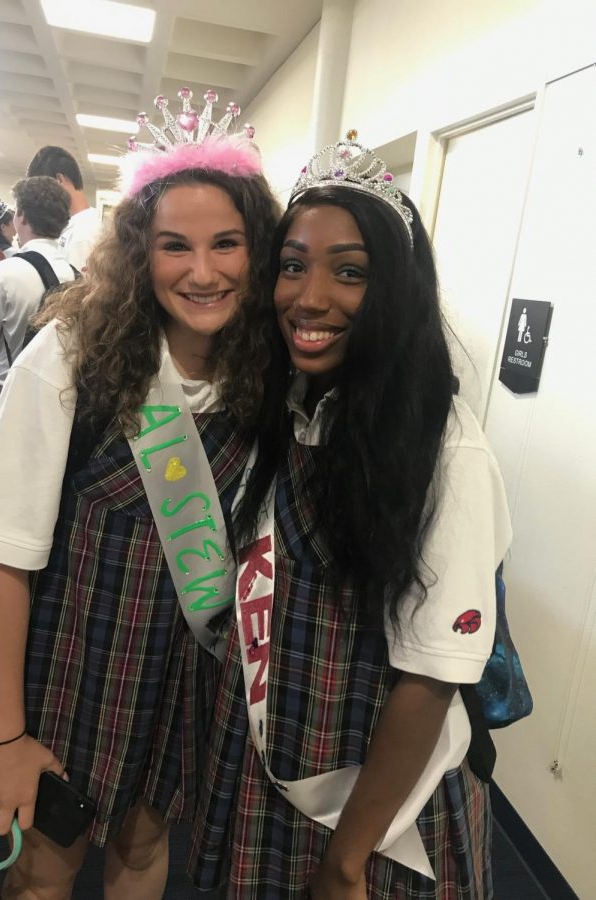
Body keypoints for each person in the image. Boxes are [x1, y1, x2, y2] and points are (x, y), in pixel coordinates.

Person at [0, 91, 280, 899]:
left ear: (259, 251)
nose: (202, 271)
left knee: (142, 852)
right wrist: (3, 737)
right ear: (139, 251)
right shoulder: (68, 359)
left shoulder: (265, 374)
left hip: (187, 675)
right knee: (42, 869)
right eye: (175, 246)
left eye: (227, 245)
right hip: (71, 668)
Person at [193, 135, 513, 898]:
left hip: (378, 805)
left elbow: (430, 679)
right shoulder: (294, 408)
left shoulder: (446, 450)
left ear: (395, 291)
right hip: (275, 758)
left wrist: (347, 858)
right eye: (294, 266)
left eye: (350, 273)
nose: (308, 298)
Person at [0, 176, 74, 396]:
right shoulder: (75, 275)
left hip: (14, 392)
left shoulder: (6, 272)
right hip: (60, 394)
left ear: (22, 216)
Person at [26, 145, 102, 271]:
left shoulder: (82, 235)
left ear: (59, 180)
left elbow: (73, 289)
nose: (41, 199)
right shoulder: (74, 227)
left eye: (42, 189)